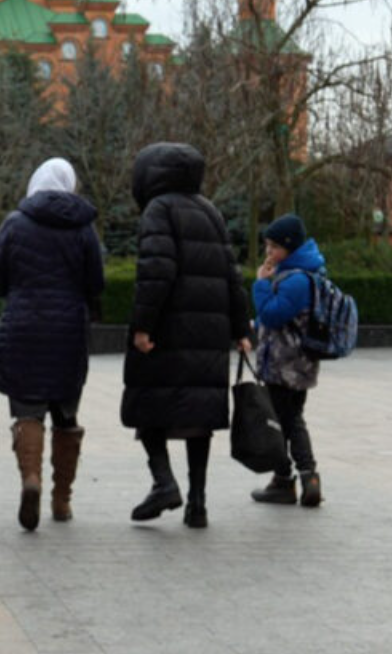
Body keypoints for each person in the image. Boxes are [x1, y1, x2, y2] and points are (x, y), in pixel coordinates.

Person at [122, 143, 251, 530]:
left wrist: (143, 326)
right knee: (199, 417)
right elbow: (232, 274)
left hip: (168, 331)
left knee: (147, 404)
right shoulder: (210, 210)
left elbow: (155, 272)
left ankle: (164, 483)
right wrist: (241, 329)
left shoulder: (158, 209)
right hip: (208, 334)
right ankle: (197, 504)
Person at [0, 158, 106, 531]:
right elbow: (96, 283)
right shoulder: (83, 227)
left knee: (28, 411)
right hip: (68, 332)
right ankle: (62, 499)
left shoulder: (14, 223)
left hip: (23, 329)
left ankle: (31, 479)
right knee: (66, 416)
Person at [249, 214, 326, 508]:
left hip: (285, 364)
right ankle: (300, 479)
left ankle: (292, 480)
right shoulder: (303, 272)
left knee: (284, 421)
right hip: (298, 363)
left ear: (290, 246)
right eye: (267, 246)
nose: (268, 252)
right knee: (290, 419)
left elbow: (273, 314)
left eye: (274, 247)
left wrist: (261, 284)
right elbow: (283, 317)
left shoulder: (297, 279)